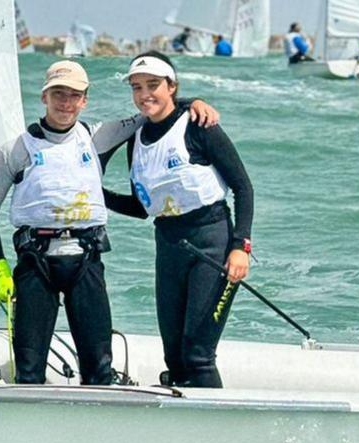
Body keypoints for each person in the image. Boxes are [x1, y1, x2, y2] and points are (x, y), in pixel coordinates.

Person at [0, 60, 219, 385]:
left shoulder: (98, 136)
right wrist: (0, 268)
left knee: (100, 372)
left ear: (85, 100)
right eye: (58, 94)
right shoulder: (14, 151)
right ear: (44, 96)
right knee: (29, 371)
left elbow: (155, 108)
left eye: (74, 95)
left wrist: (194, 103)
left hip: (86, 262)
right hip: (34, 263)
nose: (66, 103)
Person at [103, 51, 253, 388]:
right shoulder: (137, 139)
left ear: (172, 86)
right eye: (137, 87)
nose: (145, 94)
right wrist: (100, 196)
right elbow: (145, 207)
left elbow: (243, 187)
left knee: (198, 353)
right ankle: (186, 432)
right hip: (169, 247)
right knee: (174, 355)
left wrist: (240, 246)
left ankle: (217, 432)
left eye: (153, 85)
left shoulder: (199, 125)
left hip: (211, 243)